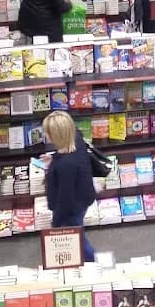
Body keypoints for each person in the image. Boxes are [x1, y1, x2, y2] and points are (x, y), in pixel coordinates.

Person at [42, 111, 97, 261]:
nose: (46, 136)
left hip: (71, 207)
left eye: (48, 133)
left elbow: (64, 198)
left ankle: (91, 261)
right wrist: (54, 157)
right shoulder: (76, 139)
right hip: (83, 197)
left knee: (74, 237)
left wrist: (56, 222)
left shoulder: (65, 166)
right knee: (78, 232)